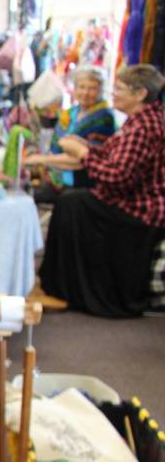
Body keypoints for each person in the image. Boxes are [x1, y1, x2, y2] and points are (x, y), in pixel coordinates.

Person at [36, 64, 165, 317]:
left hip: (138, 210)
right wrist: (85, 149)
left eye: (119, 89)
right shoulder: (141, 121)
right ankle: (60, 286)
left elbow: (116, 177)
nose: (113, 93)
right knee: (72, 203)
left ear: (139, 94)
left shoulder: (142, 127)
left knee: (70, 206)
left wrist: (83, 153)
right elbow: (112, 157)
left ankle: (62, 288)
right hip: (133, 202)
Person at [24, 66, 116, 201]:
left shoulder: (103, 117)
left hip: (82, 180)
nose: (85, 93)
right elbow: (55, 146)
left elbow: (84, 158)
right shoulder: (70, 113)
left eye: (92, 88)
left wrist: (42, 160)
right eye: (81, 87)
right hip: (58, 174)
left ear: (101, 91)